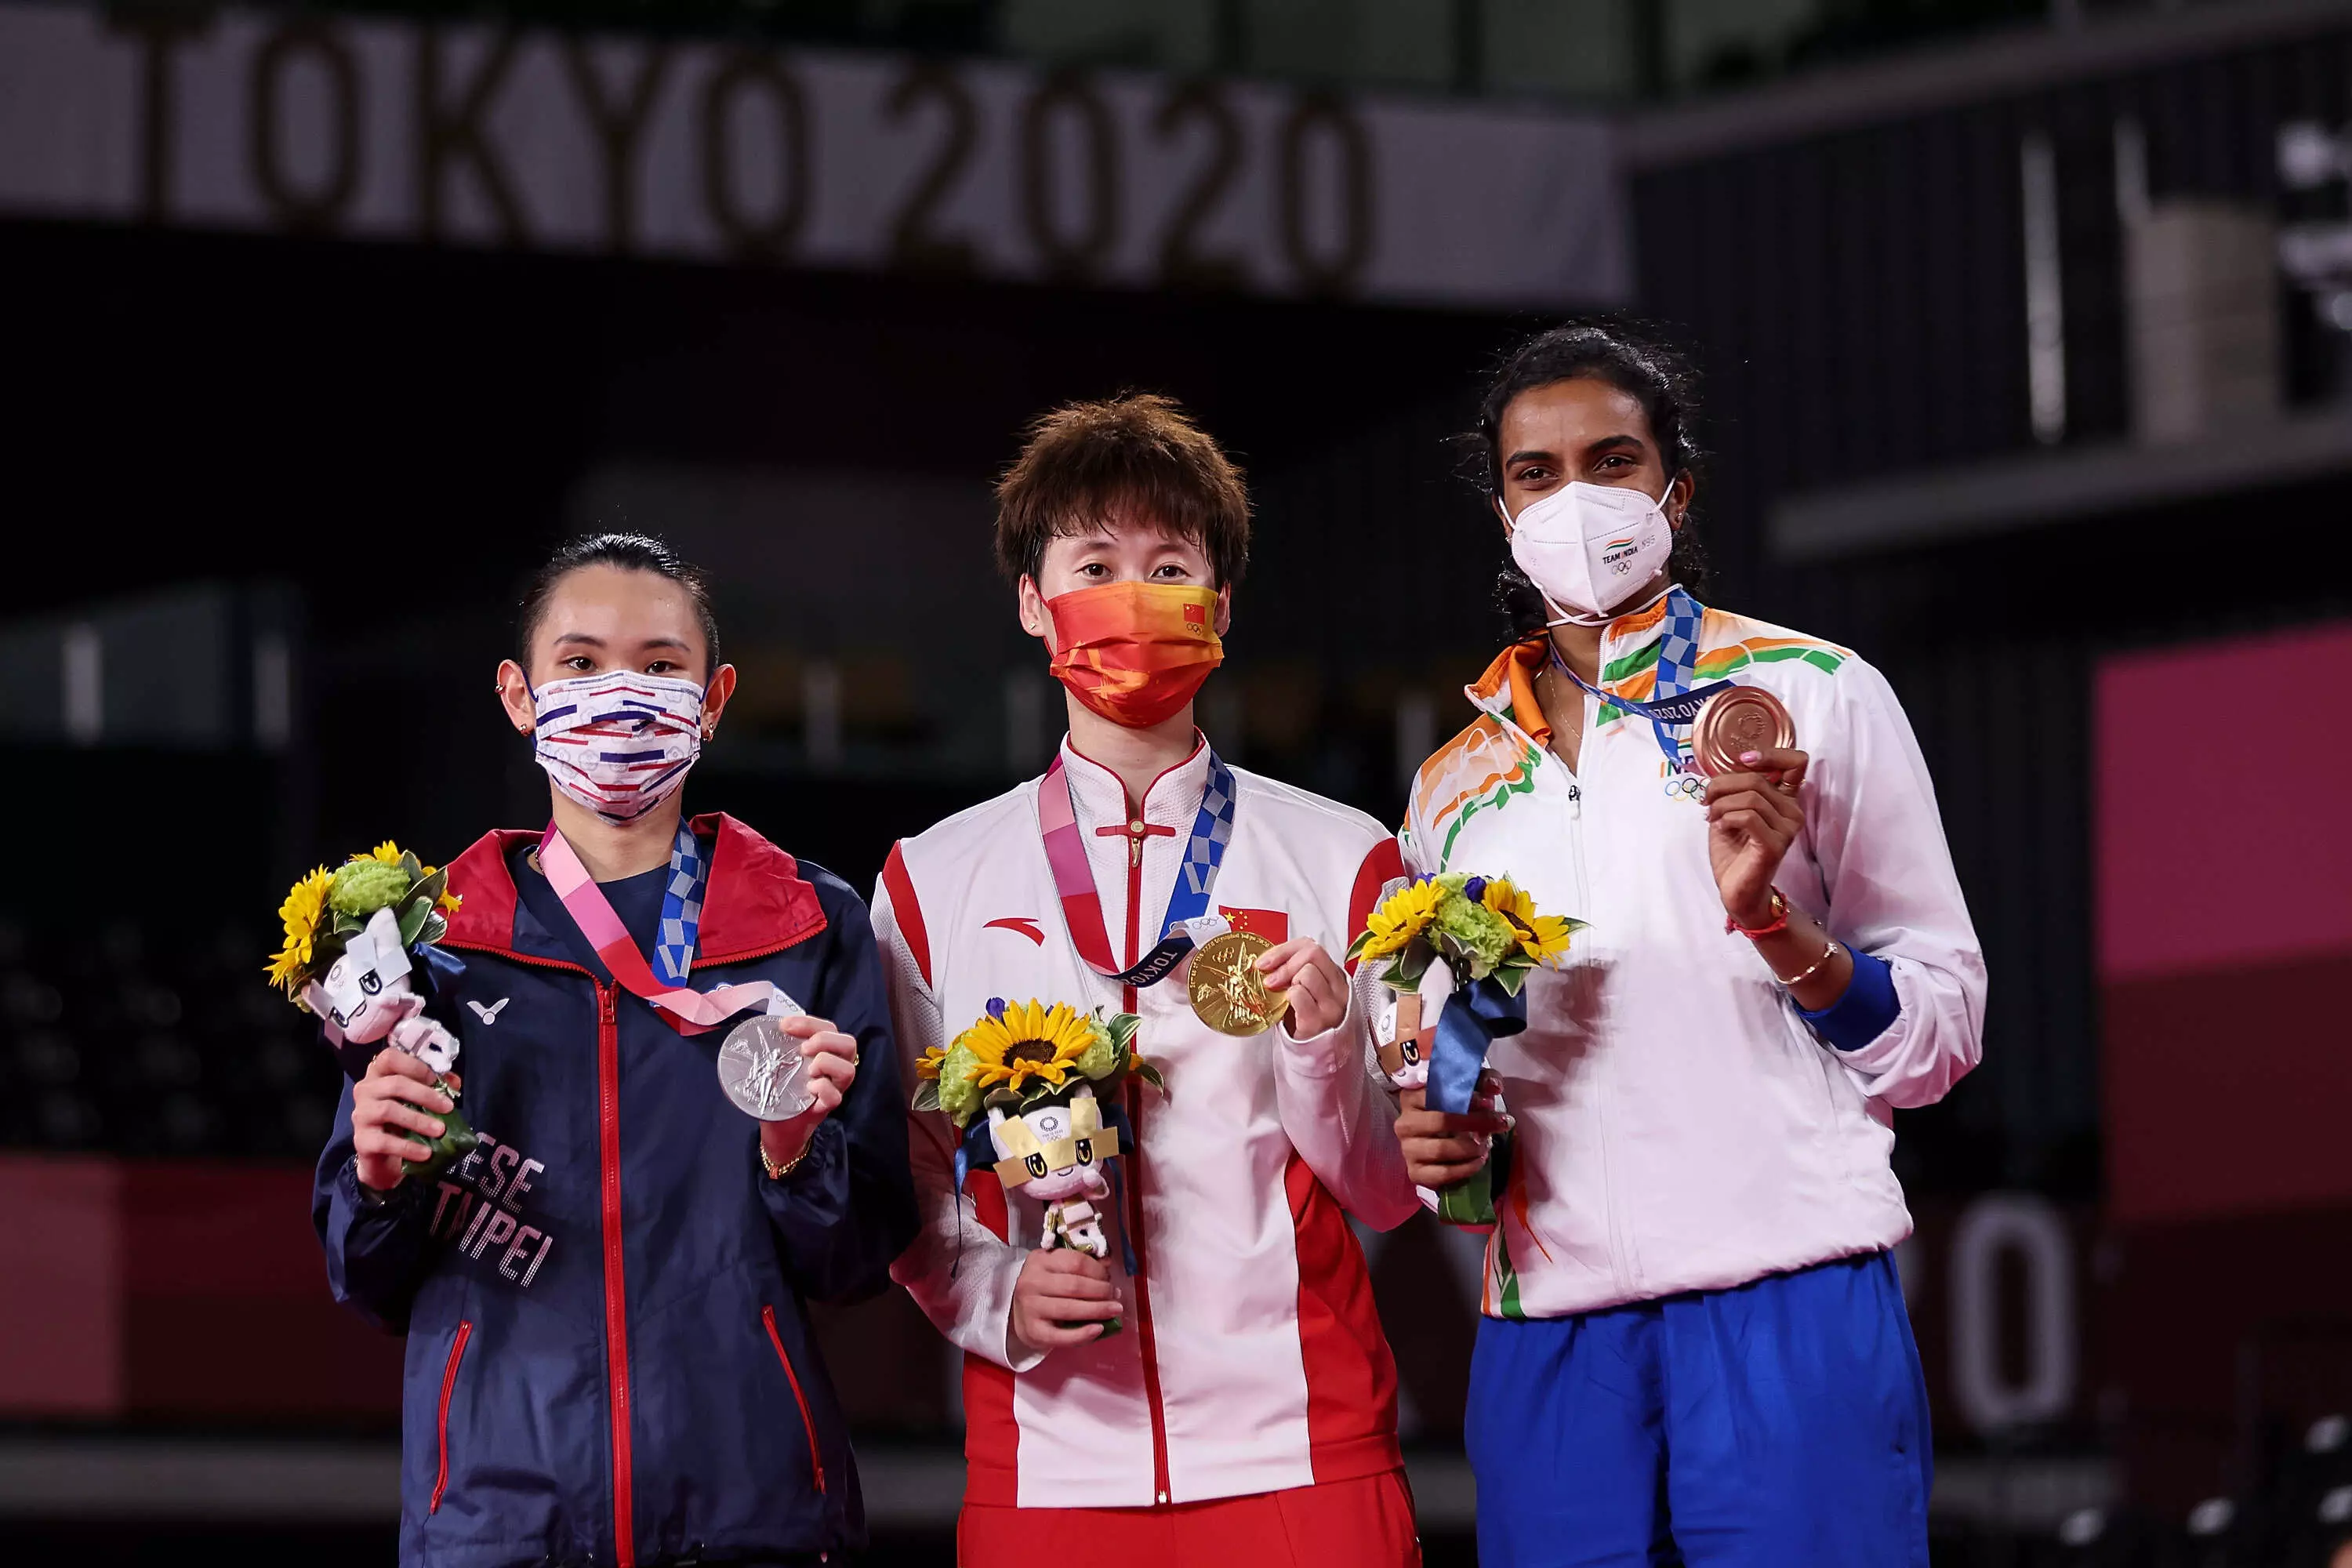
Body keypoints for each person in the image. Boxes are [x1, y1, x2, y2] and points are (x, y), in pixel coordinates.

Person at [1391, 323, 1985, 1566]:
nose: (1575, 501)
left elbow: (1941, 1033)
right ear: (1501, 508)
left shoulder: (1812, 695)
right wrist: (1448, 1137)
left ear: (1676, 488)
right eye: (1535, 474)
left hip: (1789, 1295)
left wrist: (1773, 921)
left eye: (1611, 461)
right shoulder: (1450, 790)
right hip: (1549, 1331)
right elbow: (1456, 1068)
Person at [874, 394, 1423, 1567]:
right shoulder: (932, 879)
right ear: (1034, 600)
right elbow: (903, 1170)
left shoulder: (1345, 857)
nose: (1133, 594)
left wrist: (1324, 1047)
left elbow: (1385, 1191)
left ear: (1219, 606)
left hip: (1303, 1452)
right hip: (1047, 1463)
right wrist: (988, 1294)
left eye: (1169, 564)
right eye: (1095, 562)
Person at [312, 533, 916, 1568]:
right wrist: (378, 1185)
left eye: (661, 665)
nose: (622, 692)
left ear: (714, 697)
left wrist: (792, 1149)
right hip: (499, 1524)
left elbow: (859, 1259)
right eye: (581, 663)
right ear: (519, 694)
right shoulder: (430, 946)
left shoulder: (811, 926)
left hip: (753, 1518)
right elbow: (366, 1280)